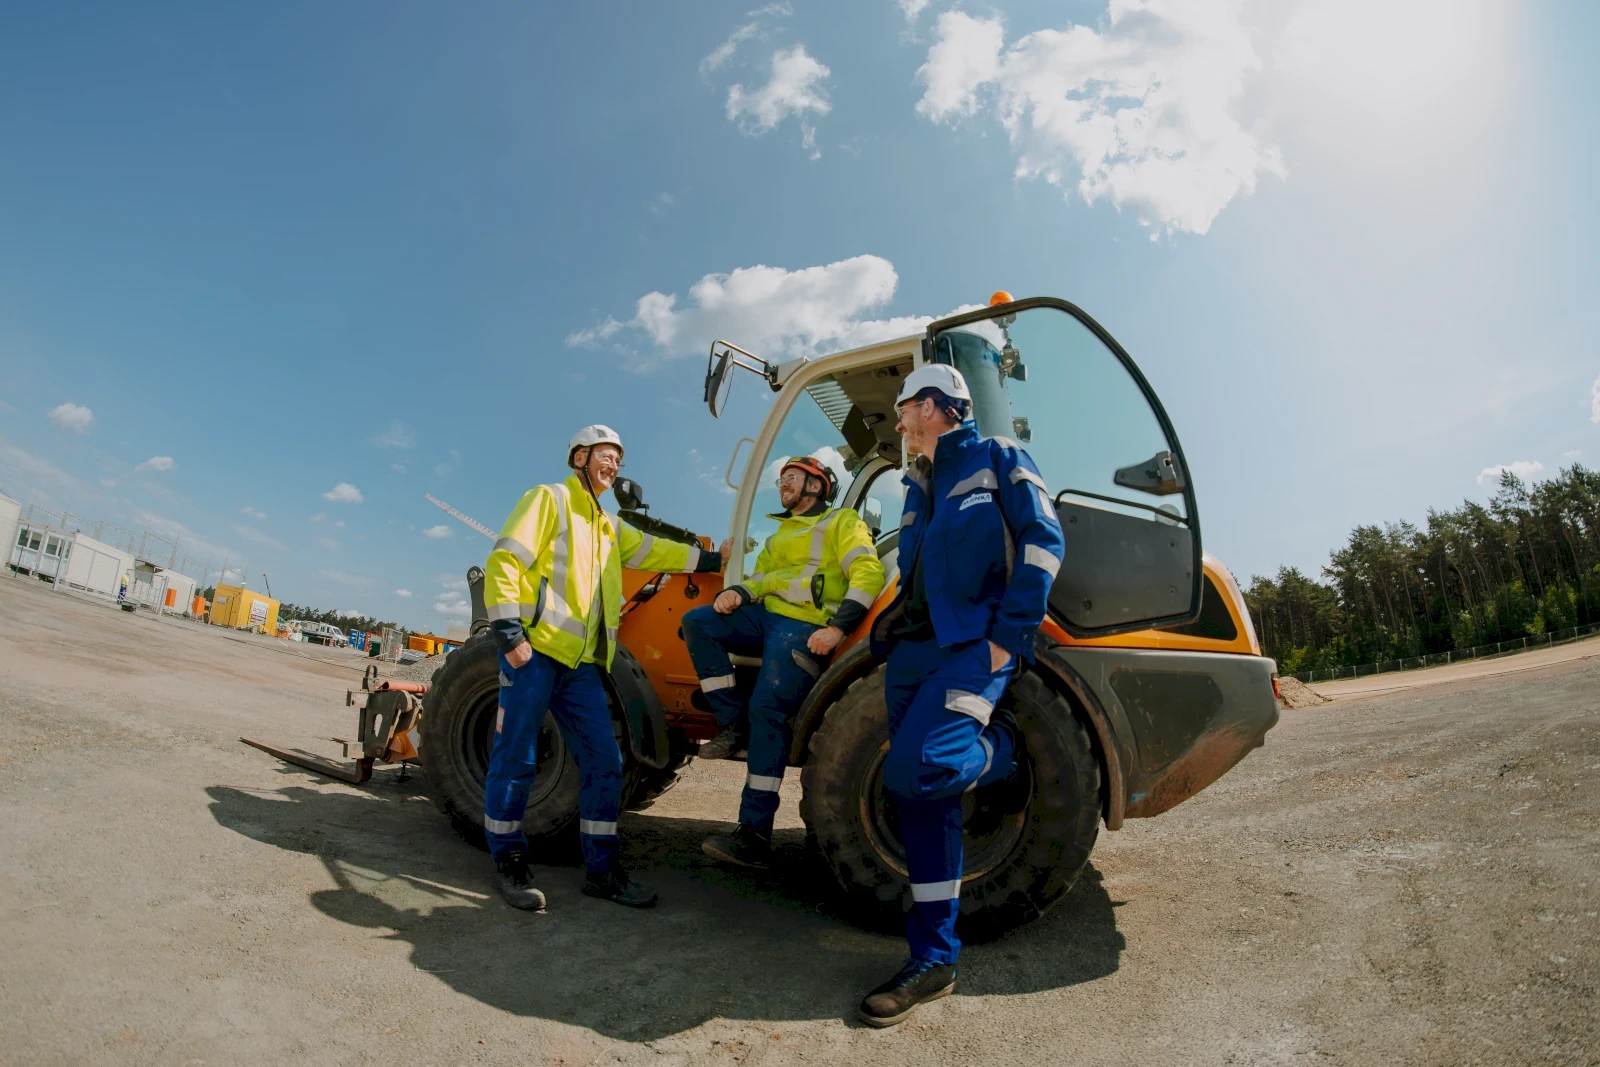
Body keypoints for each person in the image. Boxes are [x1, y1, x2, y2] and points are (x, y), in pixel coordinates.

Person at [857, 364, 1064, 1027]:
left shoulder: (997, 456)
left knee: (924, 767)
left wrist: (1008, 638)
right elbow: (915, 572)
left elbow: (1044, 542)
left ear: (932, 404)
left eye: (902, 410)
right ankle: (934, 958)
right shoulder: (916, 485)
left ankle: (1003, 751)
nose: (898, 425)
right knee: (920, 797)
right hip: (914, 654)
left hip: (974, 645)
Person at [481, 424, 727, 911]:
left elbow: (656, 550)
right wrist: (509, 634)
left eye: (618, 458)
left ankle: (602, 870)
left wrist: (711, 558)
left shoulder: (609, 526)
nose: (612, 464)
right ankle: (509, 861)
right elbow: (506, 560)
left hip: (582, 664)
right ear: (580, 457)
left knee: (605, 762)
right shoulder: (549, 500)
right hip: (535, 653)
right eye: (604, 454)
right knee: (517, 758)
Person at [682, 455, 885, 869]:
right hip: (767, 616)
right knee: (698, 622)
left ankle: (754, 835)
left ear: (816, 485)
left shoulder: (841, 522)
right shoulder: (780, 534)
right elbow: (762, 579)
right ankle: (732, 724)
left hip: (806, 624)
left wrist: (838, 628)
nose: (783, 485)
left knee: (768, 708)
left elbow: (867, 572)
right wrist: (738, 591)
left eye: (791, 477)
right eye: (781, 480)